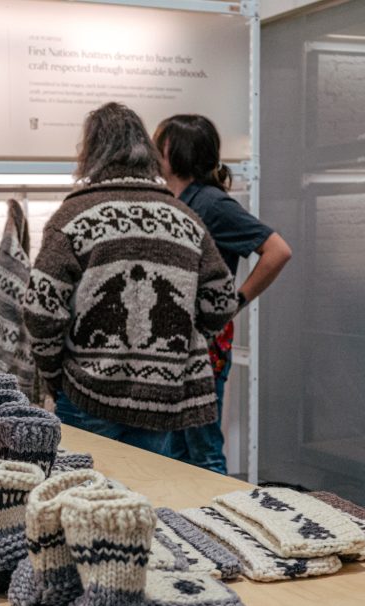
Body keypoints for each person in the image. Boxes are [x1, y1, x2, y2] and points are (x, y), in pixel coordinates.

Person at [23, 102, 238, 454]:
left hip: (88, 393)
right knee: (146, 486)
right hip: (159, 399)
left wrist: (55, 376)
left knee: (82, 486)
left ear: (91, 152)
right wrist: (184, 341)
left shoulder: (73, 217)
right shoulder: (184, 218)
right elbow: (222, 301)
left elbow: (40, 311)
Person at [154, 114, 292, 473]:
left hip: (203, 347)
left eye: (160, 144)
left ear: (177, 151)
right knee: (178, 450)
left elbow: (277, 251)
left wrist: (236, 302)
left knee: (203, 450)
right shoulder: (178, 201)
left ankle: (215, 508)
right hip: (180, 348)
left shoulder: (212, 203)